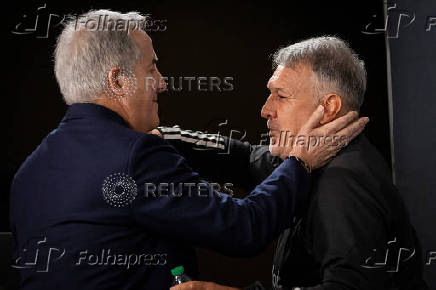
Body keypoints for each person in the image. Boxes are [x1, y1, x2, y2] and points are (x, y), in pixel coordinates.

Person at [9, 11, 367, 290]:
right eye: (152, 68)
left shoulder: (27, 174)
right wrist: (300, 162)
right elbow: (244, 228)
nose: (163, 82)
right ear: (118, 81)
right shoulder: (137, 155)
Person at [165, 37, 427, 289]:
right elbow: (242, 159)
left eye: (281, 95)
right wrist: (158, 137)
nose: (265, 110)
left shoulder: (344, 182)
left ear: (328, 108)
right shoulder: (306, 156)